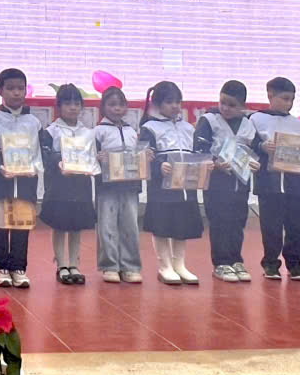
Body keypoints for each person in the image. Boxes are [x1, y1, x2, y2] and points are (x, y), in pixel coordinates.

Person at [193, 80, 258, 283]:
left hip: (241, 182)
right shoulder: (209, 120)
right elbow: (199, 150)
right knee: (220, 221)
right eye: (223, 102)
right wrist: (215, 163)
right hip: (217, 182)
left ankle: (236, 259)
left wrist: (255, 162)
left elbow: (254, 150)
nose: (226, 108)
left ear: (242, 106)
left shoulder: (249, 124)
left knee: (238, 220)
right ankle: (221, 263)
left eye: (232, 105)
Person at [0, 68, 40, 288]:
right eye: (11, 88)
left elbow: (40, 151)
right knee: (0, 225)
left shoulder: (34, 122)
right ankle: (1, 268)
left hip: (26, 182)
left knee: (21, 225)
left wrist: (34, 168)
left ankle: (19, 267)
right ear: (0, 91)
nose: (16, 93)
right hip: (0, 182)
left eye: (20, 88)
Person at [139, 81, 202, 286]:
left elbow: (196, 153)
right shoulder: (149, 127)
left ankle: (179, 264)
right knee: (162, 224)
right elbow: (144, 156)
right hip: (161, 187)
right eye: (169, 102)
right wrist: (159, 165)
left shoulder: (188, 128)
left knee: (181, 224)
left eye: (177, 101)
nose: (175, 106)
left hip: (185, 186)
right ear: (158, 104)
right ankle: (165, 265)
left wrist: (203, 165)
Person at [251, 77, 300, 281]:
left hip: (295, 183)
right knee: (271, 227)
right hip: (270, 182)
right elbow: (247, 145)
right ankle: (270, 263)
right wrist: (261, 147)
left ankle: (295, 263)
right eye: (285, 99)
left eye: (292, 99)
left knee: (299, 226)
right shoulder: (256, 119)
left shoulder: (298, 124)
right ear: (270, 95)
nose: (289, 103)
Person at [40, 84, 98, 285]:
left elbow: (92, 157)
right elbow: (46, 157)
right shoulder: (51, 131)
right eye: (67, 103)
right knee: (60, 225)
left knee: (76, 226)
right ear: (59, 106)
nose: (73, 107)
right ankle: (61, 264)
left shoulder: (87, 133)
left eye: (76, 103)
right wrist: (58, 162)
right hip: (59, 186)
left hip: (81, 185)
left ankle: (74, 264)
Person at [94, 87, 143, 284]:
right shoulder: (98, 131)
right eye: (112, 105)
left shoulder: (132, 131)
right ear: (103, 107)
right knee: (107, 226)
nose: (117, 109)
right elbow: (89, 158)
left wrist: (145, 157)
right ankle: (109, 266)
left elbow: (139, 156)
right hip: (106, 187)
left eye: (121, 105)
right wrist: (98, 158)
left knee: (131, 225)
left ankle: (130, 266)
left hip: (130, 186)